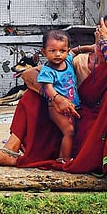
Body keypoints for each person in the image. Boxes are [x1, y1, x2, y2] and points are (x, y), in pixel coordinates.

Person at [0, 11, 107, 195]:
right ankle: (9, 151)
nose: (102, 38)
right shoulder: (78, 61)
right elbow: (29, 75)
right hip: (72, 127)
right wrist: (56, 97)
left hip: (102, 135)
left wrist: (106, 48)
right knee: (33, 95)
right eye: (101, 32)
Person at [37, 29, 80, 163]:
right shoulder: (47, 70)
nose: (58, 54)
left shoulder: (67, 61)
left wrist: (90, 47)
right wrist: (57, 99)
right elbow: (48, 88)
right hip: (56, 108)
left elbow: (75, 52)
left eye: (62, 51)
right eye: (52, 51)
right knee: (69, 131)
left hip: (74, 106)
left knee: (76, 130)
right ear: (43, 52)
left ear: (67, 51)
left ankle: (63, 155)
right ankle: (65, 159)